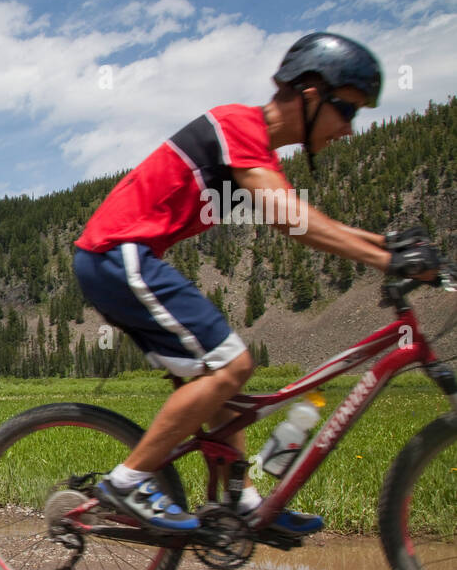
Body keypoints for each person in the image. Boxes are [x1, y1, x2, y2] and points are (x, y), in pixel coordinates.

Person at [71, 31, 440, 533]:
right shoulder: (237, 126)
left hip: (128, 256)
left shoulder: (258, 155)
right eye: (348, 110)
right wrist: (385, 259)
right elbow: (296, 222)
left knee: (223, 390)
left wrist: (388, 245)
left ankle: (240, 501)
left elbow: (301, 217)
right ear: (311, 95)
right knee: (233, 365)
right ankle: (128, 482)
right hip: (117, 252)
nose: (350, 130)